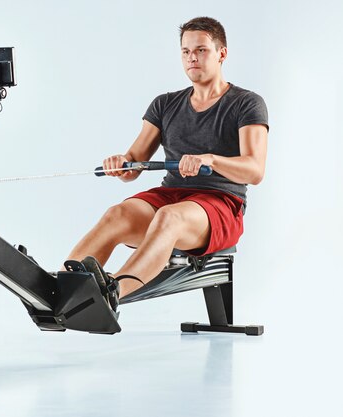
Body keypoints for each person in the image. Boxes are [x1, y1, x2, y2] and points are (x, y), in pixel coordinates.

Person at [65, 16, 269, 311]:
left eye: (201, 50)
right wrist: (121, 163)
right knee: (117, 214)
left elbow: (255, 170)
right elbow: (133, 164)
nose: (192, 58)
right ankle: (63, 288)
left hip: (221, 203)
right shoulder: (165, 103)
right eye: (186, 52)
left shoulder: (246, 103)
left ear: (221, 53)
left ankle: (110, 295)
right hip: (171, 195)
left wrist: (209, 159)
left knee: (168, 218)